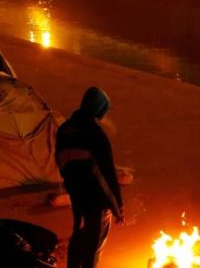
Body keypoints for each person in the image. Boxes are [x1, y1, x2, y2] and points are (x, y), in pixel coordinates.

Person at [56, 86, 124, 268]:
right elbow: (106, 174)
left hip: (77, 195)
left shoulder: (65, 129)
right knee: (93, 245)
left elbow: (60, 162)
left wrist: (72, 185)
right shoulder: (96, 135)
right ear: (99, 109)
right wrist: (117, 207)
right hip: (97, 201)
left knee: (78, 235)